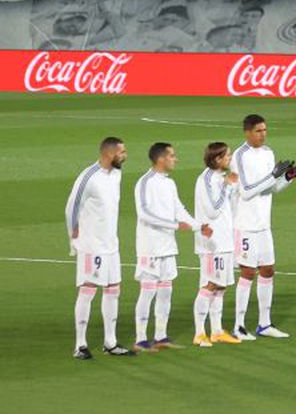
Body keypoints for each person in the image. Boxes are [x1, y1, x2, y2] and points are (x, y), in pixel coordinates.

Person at [134, 142, 211, 352]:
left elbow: (179, 209)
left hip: (168, 246)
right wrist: (175, 225)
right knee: (148, 292)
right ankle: (141, 338)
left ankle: (160, 336)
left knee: (166, 292)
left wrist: (198, 226)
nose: (176, 159)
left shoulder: (169, 184)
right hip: (149, 247)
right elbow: (144, 214)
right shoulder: (144, 183)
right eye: (172, 156)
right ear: (161, 159)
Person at [232, 114, 296, 341]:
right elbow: (246, 191)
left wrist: (288, 177)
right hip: (245, 224)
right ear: (248, 133)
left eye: (264, 130)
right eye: (259, 131)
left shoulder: (269, 153)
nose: (263, 134)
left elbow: (271, 189)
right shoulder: (240, 155)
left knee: (268, 270)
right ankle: (239, 325)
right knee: (247, 272)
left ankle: (264, 323)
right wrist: (273, 175)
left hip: (263, 224)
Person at [65, 137, 135, 359]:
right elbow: (71, 207)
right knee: (88, 290)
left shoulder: (116, 174)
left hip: (111, 245)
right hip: (92, 245)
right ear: (109, 154)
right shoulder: (89, 177)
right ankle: (80, 345)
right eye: (122, 152)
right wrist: (73, 235)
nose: (125, 155)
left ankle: (110, 342)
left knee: (113, 290)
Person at [192, 142, 242, 347]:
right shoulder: (205, 180)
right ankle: (199, 333)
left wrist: (228, 186)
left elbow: (227, 209)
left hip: (224, 241)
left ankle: (217, 331)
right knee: (209, 285)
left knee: (220, 287)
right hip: (212, 244)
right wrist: (227, 187)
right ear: (217, 159)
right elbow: (212, 210)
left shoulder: (219, 178)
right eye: (227, 156)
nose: (230, 159)